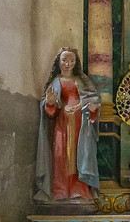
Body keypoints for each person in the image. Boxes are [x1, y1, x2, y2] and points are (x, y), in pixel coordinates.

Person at [35, 47, 101, 202]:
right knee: (60, 155)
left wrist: (90, 108)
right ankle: (60, 190)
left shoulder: (82, 82)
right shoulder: (55, 82)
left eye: (72, 60)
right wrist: (50, 104)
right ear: (58, 62)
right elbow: (49, 110)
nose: (68, 64)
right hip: (62, 124)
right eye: (64, 60)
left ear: (76, 63)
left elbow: (94, 101)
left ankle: (79, 189)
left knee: (80, 154)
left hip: (80, 125)